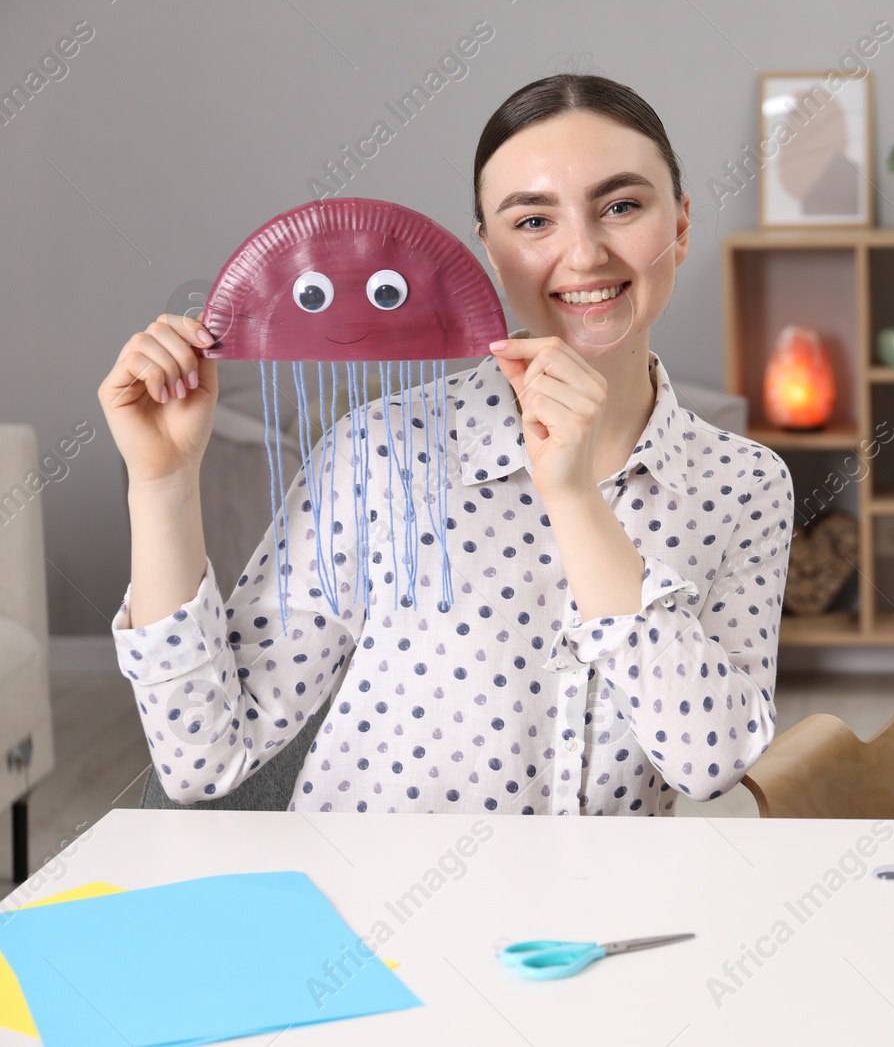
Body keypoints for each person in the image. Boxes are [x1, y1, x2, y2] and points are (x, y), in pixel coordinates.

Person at [97, 74, 793, 814]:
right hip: (371, 913)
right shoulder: (380, 453)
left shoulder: (745, 484)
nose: (585, 254)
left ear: (680, 226)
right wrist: (162, 484)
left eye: (621, 206)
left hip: (595, 920)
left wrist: (573, 495)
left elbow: (709, 759)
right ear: (487, 250)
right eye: (533, 221)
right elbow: (201, 757)